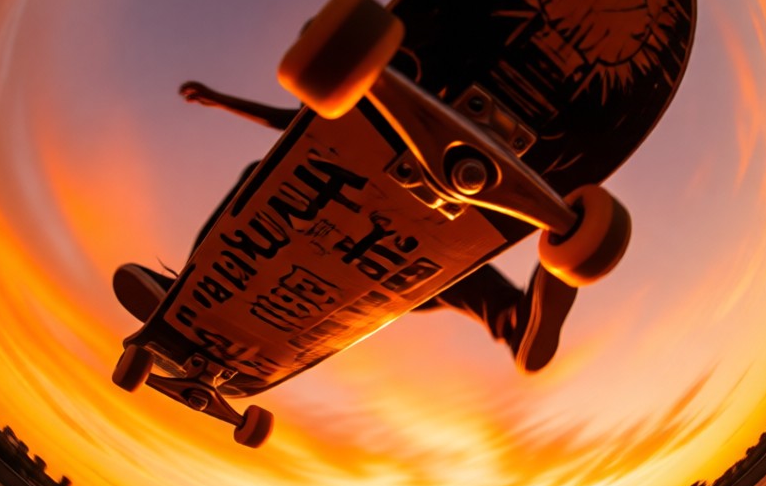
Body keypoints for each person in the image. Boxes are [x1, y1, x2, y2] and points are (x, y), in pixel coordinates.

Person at [112, 81, 578, 372]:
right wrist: (220, 99)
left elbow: (283, 117)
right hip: (385, 259)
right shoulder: (327, 124)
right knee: (447, 265)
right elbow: (283, 120)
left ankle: (192, 285)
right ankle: (517, 317)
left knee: (444, 259)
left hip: (376, 250)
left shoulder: (381, 102)